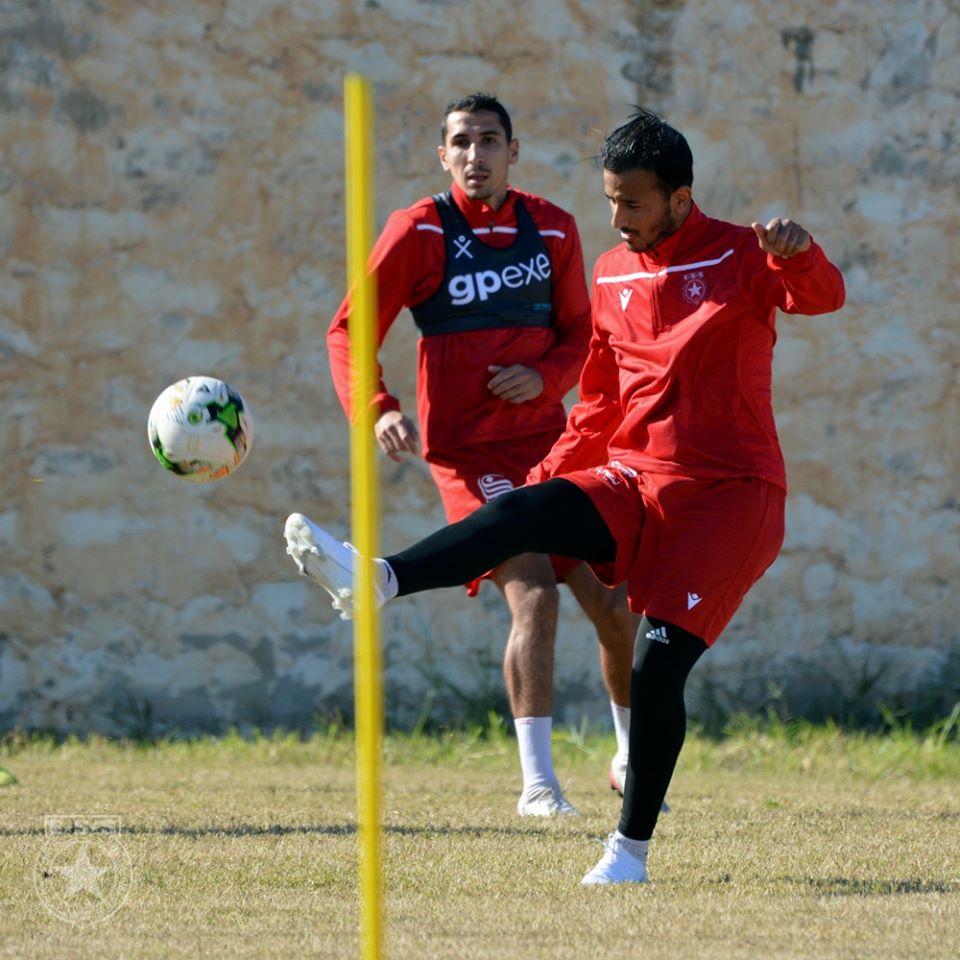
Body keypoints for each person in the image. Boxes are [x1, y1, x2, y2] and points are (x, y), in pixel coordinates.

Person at [286, 107, 845, 884]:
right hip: (635, 478)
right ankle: (380, 579)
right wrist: (550, 481)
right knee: (518, 513)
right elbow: (600, 405)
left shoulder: (739, 256)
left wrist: (801, 251)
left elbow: (822, 296)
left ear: (680, 199)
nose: (616, 220)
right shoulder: (614, 271)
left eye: (634, 204)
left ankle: (629, 851)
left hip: (729, 496)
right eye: (610, 200)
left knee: (654, 665)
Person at [318, 92, 638, 817]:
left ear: (513, 152)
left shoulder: (553, 229)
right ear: (443, 155)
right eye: (461, 142)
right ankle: (538, 786)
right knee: (534, 592)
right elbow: (347, 330)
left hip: (553, 446)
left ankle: (630, 758)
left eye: (490, 141)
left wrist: (546, 377)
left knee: (616, 602)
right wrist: (378, 409)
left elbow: (584, 336)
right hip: (470, 454)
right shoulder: (420, 229)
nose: (476, 155)